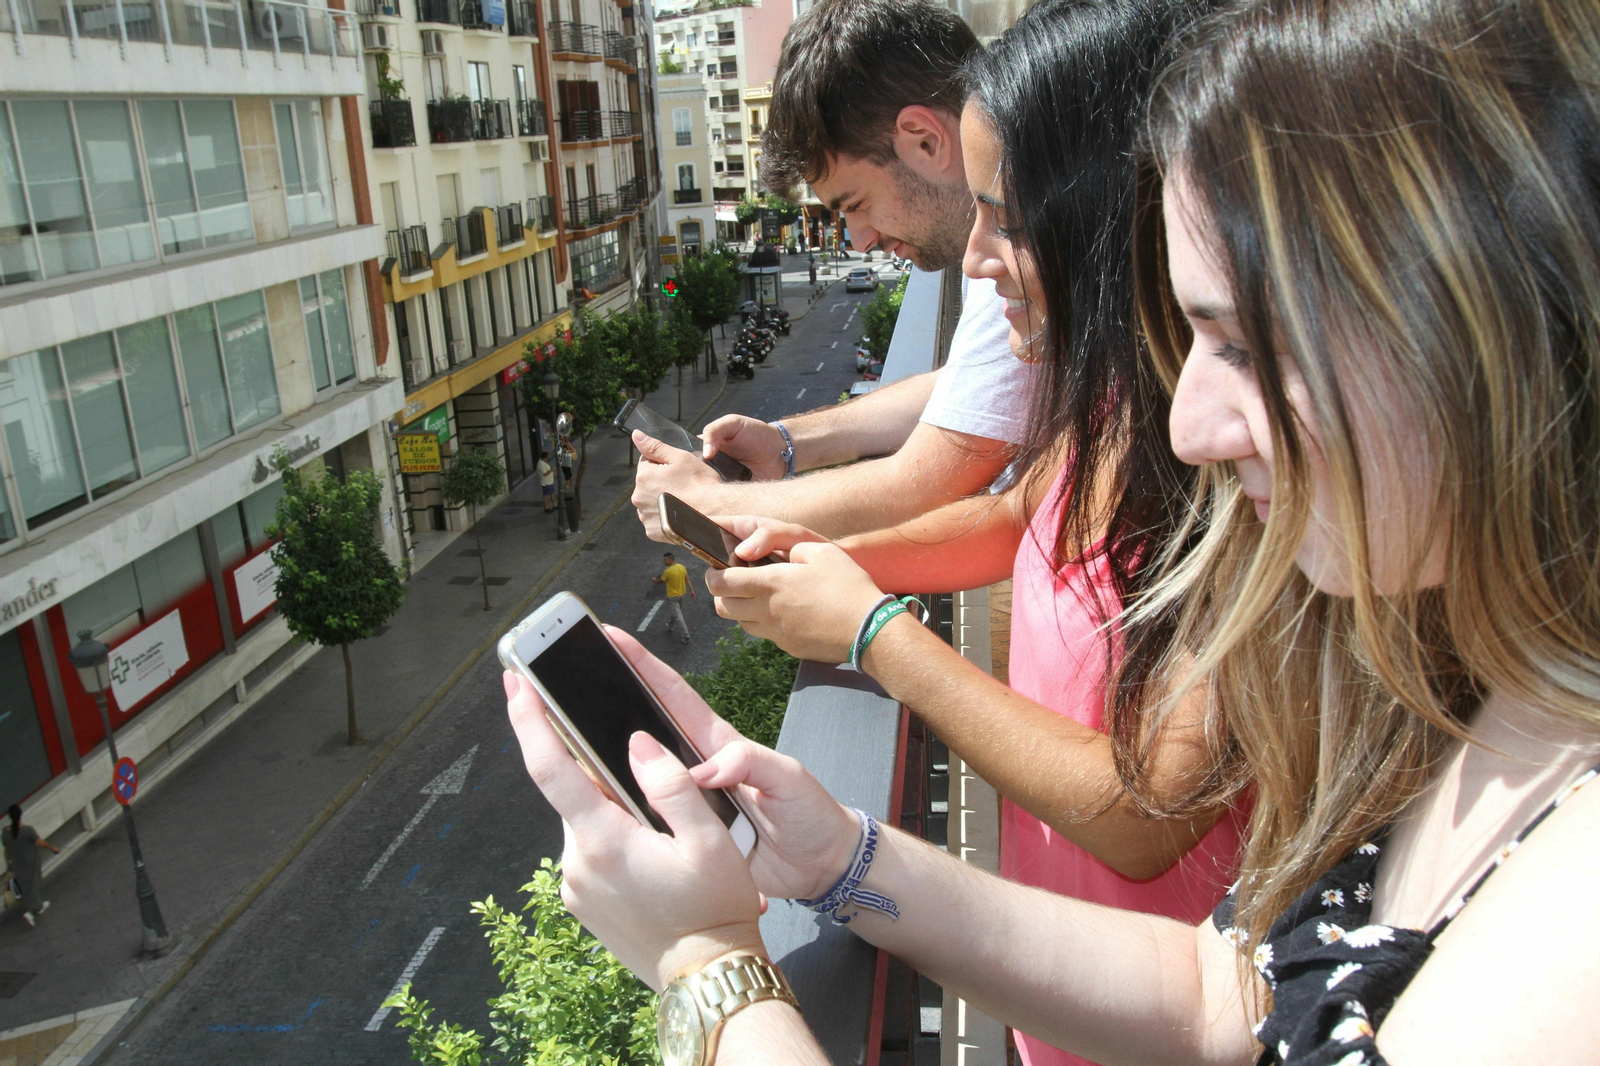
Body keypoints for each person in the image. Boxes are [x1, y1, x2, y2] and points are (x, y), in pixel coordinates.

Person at [506, 0, 1600, 1062]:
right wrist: (841, 855)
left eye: (1237, 343)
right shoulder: (1520, 701)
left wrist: (706, 963)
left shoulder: (1567, 925)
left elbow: (1150, 823)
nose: (1193, 425)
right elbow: (1221, 993)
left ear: (1474, 325)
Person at [709, 5, 1237, 1063]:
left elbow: (1143, 816)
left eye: (1008, 216)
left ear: (1101, 205)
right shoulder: (1123, 393)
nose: (980, 262)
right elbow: (1013, 517)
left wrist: (873, 633)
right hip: (1078, 1003)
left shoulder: (1225, 459)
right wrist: (827, 570)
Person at [632, 0, 1035, 543]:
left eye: (856, 204)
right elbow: (966, 387)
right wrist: (787, 442)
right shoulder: (1007, 220)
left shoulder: (1024, 242)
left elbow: (925, 480)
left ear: (924, 139)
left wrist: (712, 502)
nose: (860, 239)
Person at [5, 805, 59, 928]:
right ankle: (30, 912)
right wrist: (53, 848)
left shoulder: (5, 833)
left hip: (17, 864)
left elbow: (7, 846)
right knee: (33, 885)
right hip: (31, 861)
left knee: (27, 886)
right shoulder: (27, 830)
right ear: (20, 815)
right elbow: (40, 842)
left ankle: (39, 905)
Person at [652, 552, 696, 644]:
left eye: (665, 559)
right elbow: (687, 578)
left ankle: (686, 635)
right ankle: (670, 627)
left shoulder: (668, 572)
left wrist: (654, 580)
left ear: (670, 560)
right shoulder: (681, 567)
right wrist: (692, 590)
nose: (663, 561)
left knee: (678, 616)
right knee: (675, 612)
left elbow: (661, 581)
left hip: (672, 597)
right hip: (681, 595)